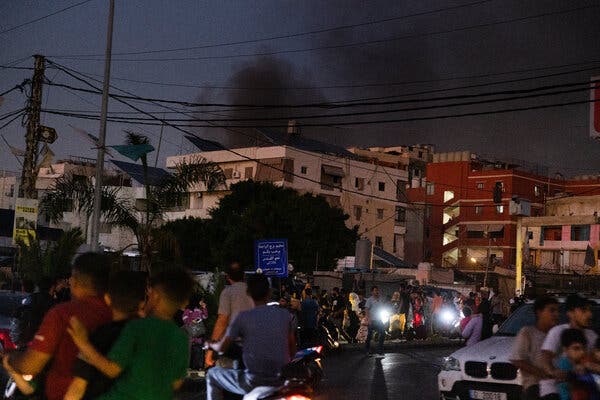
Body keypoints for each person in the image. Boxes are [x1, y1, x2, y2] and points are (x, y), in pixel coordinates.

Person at [67, 269, 194, 400]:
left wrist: (83, 343)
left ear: (156, 296)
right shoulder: (181, 338)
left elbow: (112, 369)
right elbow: (176, 383)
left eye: (149, 295)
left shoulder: (137, 327)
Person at [2, 253, 112, 400]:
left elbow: (31, 365)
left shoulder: (63, 314)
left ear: (75, 280)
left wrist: (10, 359)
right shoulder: (116, 315)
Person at [205, 274, 297, 400]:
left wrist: (210, 345)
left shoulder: (242, 317)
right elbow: (292, 351)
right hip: (280, 379)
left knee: (212, 374)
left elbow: (221, 348)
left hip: (252, 381)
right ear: (269, 292)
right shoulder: (284, 315)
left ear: (248, 293)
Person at [63, 271, 147, 400]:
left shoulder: (98, 335)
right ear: (142, 303)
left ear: (107, 299)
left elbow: (78, 387)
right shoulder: (150, 336)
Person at [541, 295, 598, 400]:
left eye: (589, 310)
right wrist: (553, 372)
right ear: (570, 313)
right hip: (555, 388)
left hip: (582, 386)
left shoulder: (592, 336)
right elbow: (545, 357)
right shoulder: (557, 332)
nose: (589, 314)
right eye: (583, 310)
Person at [205, 262, 254, 368]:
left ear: (227, 277)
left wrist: (210, 352)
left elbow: (222, 321)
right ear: (244, 275)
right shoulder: (254, 292)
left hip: (233, 347)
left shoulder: (228, 293)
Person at [510, 296, 560, 400]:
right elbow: (517, 360)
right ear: (539, 312)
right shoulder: (527, 333)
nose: (556, 314)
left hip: (558, 386)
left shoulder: (558, 334)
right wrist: (544, 374)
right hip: (535, 388)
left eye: (557, 311)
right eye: (551, 310)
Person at [556, 329, 597, 400]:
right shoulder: (564, 364)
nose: (582, 352)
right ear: (565, 350)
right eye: (576, 348)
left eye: (584, 348)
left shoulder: (588, 361)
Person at [365, 286, 386, 356]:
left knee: (383, 333)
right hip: (372, 320)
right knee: (369, 336)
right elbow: (367, 310)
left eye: (377, 290)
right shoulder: (369, 300)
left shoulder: (380, 300)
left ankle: (380, 350)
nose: (377, 292)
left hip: (379, 320)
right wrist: (368, 319)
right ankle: (367, 350)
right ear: (372, 292)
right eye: (375, 290)